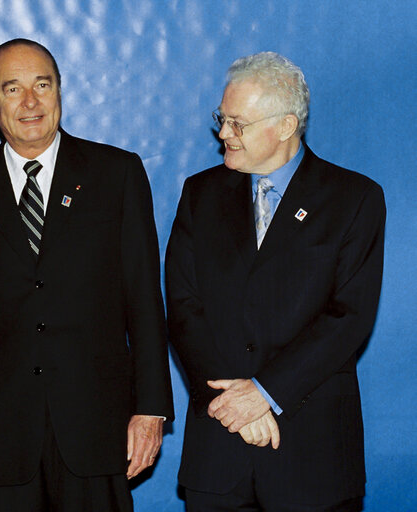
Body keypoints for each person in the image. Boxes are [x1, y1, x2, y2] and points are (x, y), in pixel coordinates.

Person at [0, 38, 174, 511]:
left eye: (42, 85)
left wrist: (150, 408)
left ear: (60, 91)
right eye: (12, 89)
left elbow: (144, 300)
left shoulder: (116, 174)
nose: (30, 102)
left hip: (97, 428)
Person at [165, 51, 385, 511]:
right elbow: (184, 307)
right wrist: (234, 406)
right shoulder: (200, 195)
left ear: (285, 126)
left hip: (312, 458)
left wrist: (265, 394)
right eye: (221, 119)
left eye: (237, 123)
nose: (223, 133)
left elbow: (349, 316)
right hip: (218, 453)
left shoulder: (354, 199)